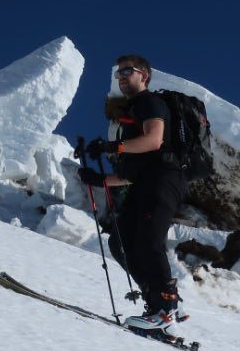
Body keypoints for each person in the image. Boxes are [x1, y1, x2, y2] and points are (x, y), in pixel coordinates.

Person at [78, 55, 187, 332]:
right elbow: (130, 174)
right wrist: (100, 179)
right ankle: (161, 302)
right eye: (119, 73)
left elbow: (153, 141)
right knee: (121, 242)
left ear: (145, 76)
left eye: (128, 71)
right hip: (145, 182)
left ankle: (165, 310)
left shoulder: (149, 102)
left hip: (163, 179)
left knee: (150, 240)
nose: (122, 76)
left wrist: (111, 147)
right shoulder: (133, 111)